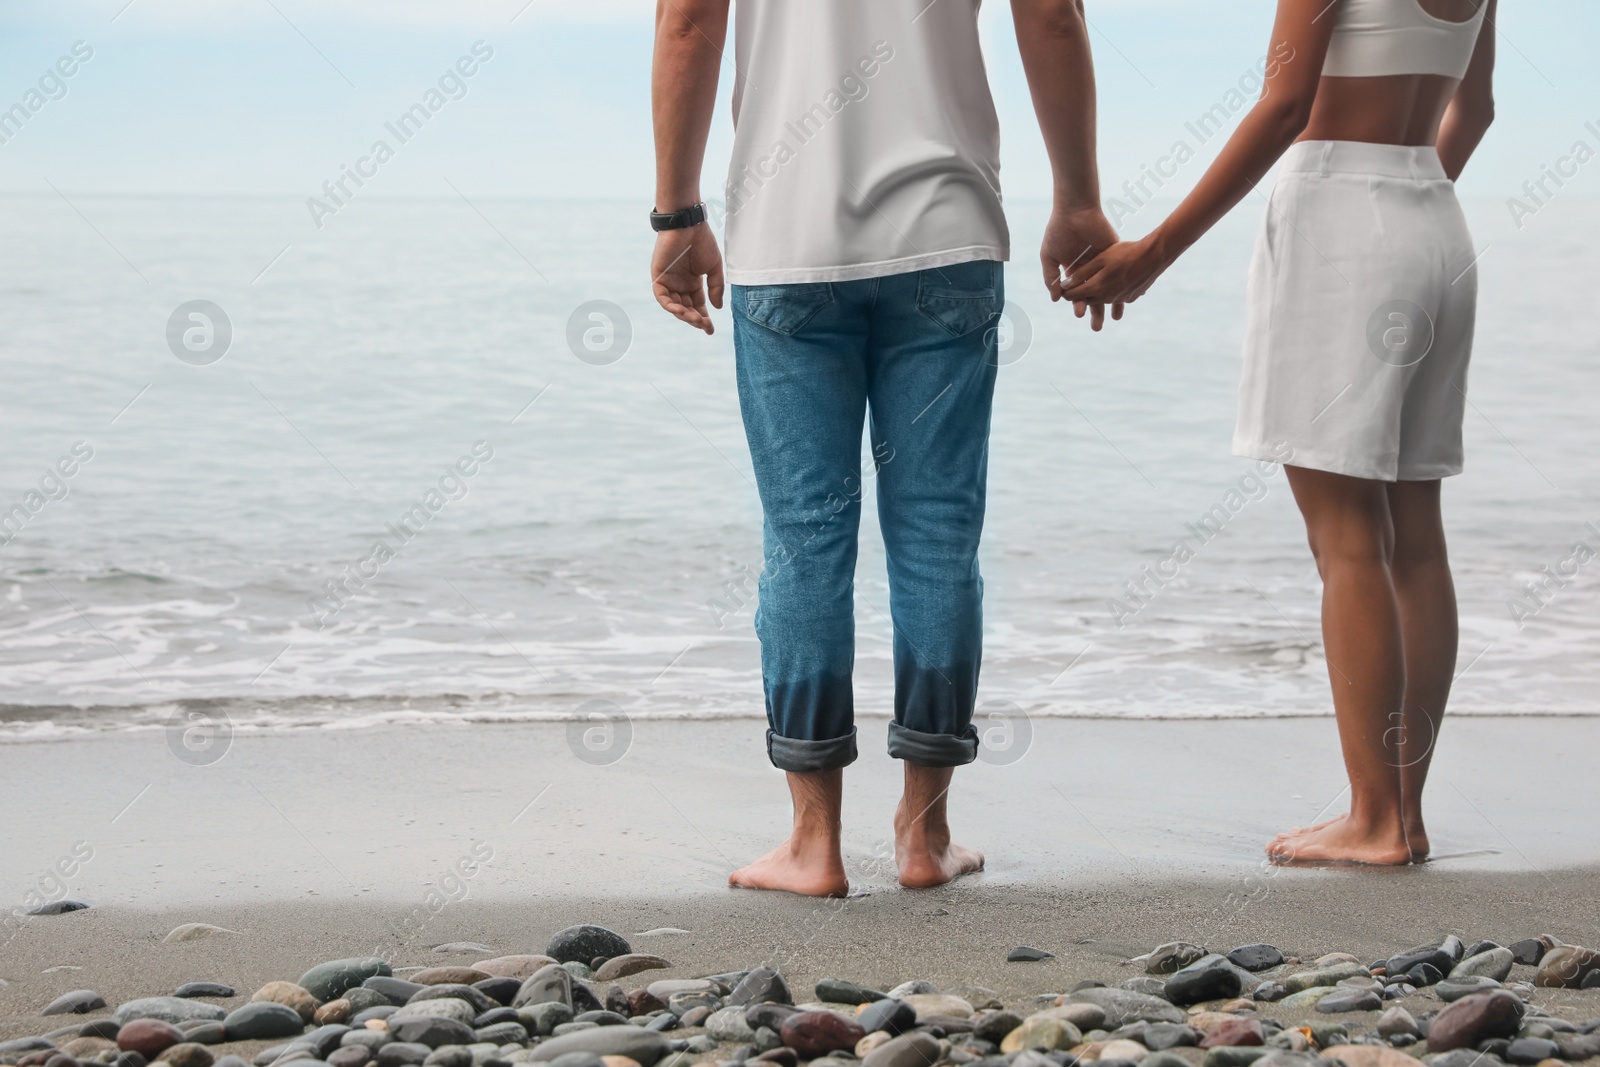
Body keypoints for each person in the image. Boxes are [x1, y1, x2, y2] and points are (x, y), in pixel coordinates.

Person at [649, 0, 1120, 895]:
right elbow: (1052, 17)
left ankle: (814, 843)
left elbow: (687, 24)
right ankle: (923, 833)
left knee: (804, 538)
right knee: (938, 533)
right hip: (946, 231)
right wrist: (1079, 199)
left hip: (789, 239)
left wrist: (677, 214)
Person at [1063, 0, 1497, 864]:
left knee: (1346, 538)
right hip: (1436, 220)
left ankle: (1373, 818)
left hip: (1341, 223)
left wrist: (1155, 249)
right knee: (1415, 537)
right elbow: (1476, 106)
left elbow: (1284, 105)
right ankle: (1401, 813)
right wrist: (1409, 212)